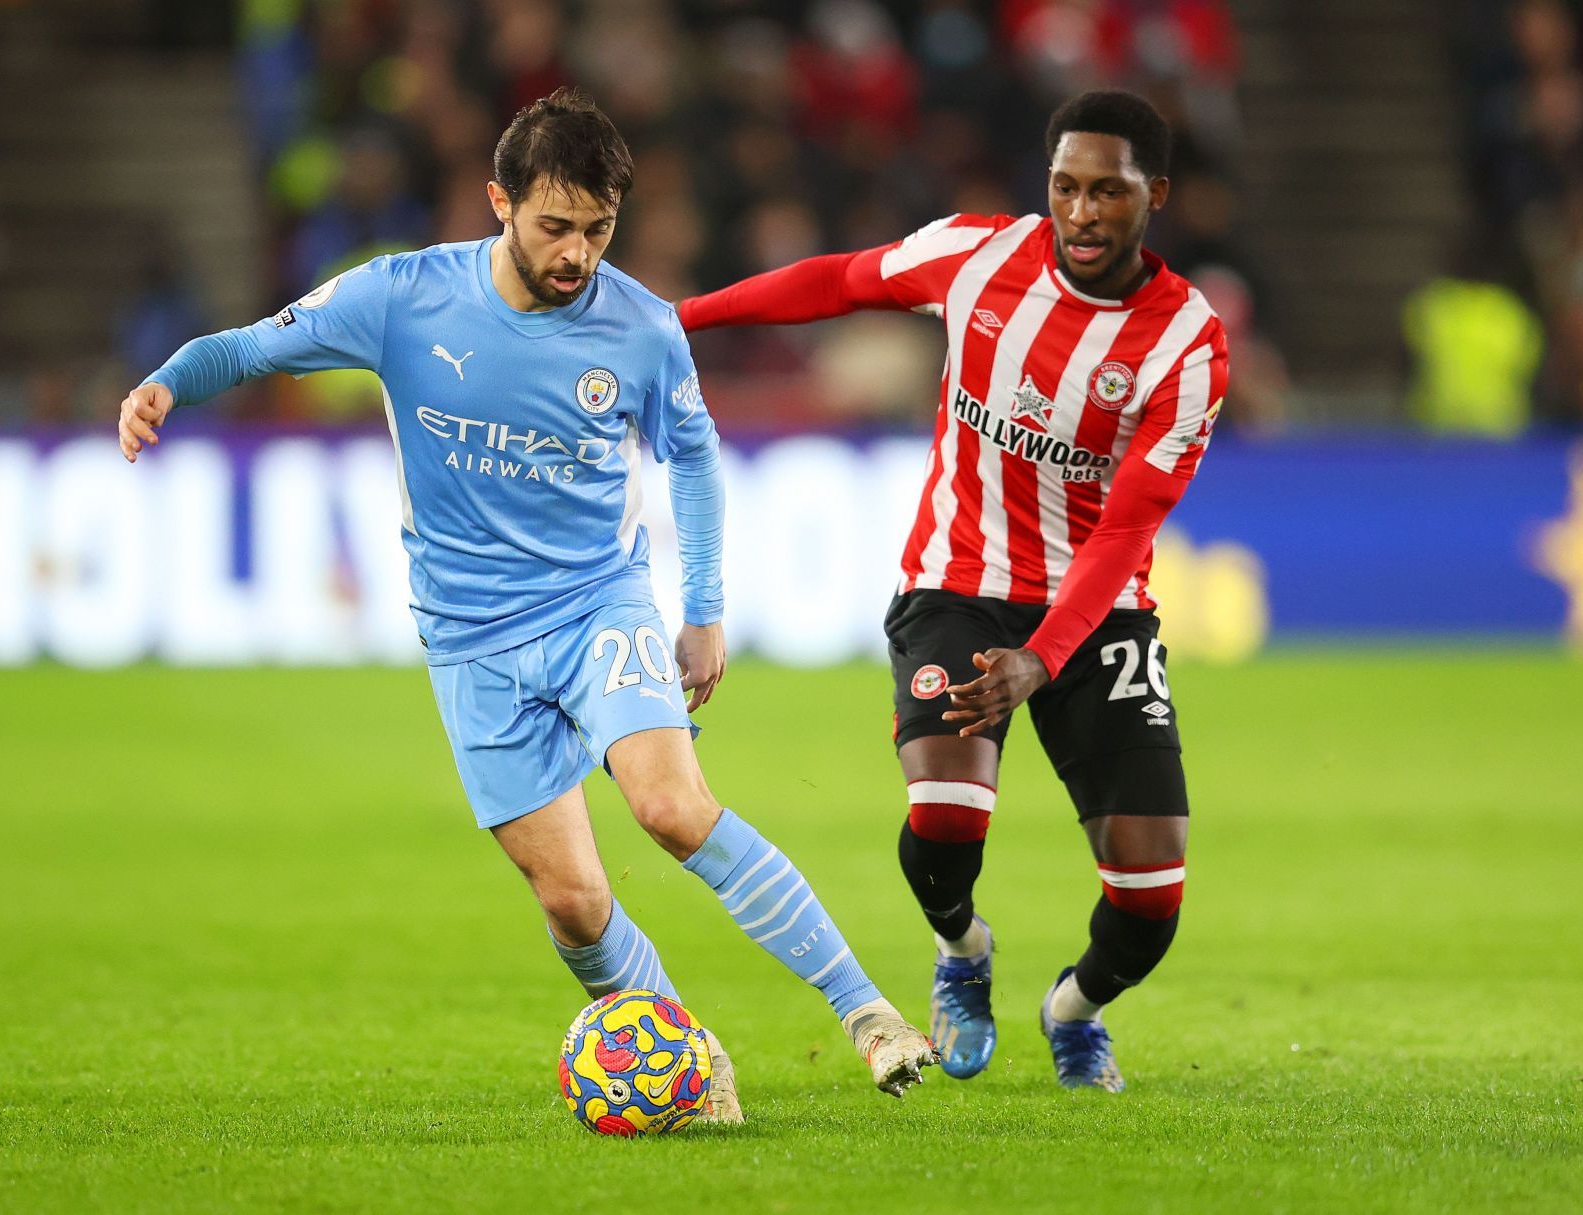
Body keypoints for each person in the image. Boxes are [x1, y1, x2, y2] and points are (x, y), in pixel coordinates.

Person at [116, 89, 937, 1119]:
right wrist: (163, 386)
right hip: (468, 639)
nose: (578, 253)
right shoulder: (402, 298)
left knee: (672, 809)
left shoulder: (640, 328)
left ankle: (868, 1016)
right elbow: (248, 346)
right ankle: (687, 1059)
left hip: (600, 604)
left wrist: (705, 607)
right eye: (556, 226)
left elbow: (691, 455)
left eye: (599, 229)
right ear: (499, 200)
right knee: (575, 902)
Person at [679, 90, 1229, 1092]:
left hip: (1098, 613)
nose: (1084, 212)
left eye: (1109, 191)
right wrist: (682, 322)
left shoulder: (1187, 341)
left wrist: (1044, 656)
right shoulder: (979, 257)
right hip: (957, 584)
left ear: (1157, 195)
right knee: (943, 817)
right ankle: (963, 952)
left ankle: (1074, 1009)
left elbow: (1128, 527)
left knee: (1150, 899)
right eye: (1067, 187)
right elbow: (838, 282)